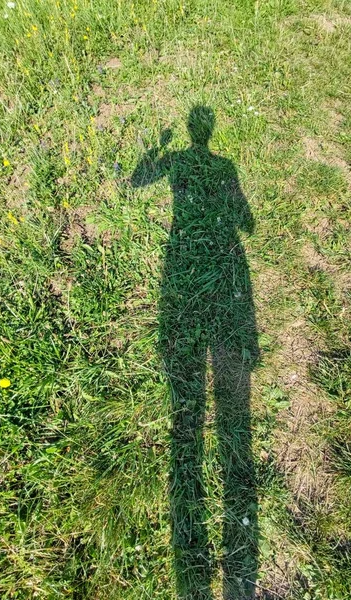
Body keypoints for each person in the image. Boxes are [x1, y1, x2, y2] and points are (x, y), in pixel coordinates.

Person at [132, 106, 258, 599]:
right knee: (229, 424)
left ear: (191, 132)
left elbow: (137, 179)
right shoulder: (224, 167)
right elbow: (245, 221)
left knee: (185, 410)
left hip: (181, 259)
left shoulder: (184, 162)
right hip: (214, 264)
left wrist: (158, 151)